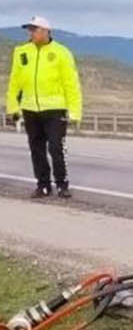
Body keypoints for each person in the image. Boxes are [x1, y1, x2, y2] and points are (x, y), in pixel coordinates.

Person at [4, 16, 83, 199]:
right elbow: (15, 83)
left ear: (46, 31)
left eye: (35, 29)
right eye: (29, 29)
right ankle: (43, 185)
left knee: (56, 148)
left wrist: (75, 111)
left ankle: (62, 184)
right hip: (30, 108)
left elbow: (71, 84)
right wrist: (13, 108)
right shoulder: (21, 52)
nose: (31, 33)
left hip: (55, 108)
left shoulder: (62, 52)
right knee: (36, 148)